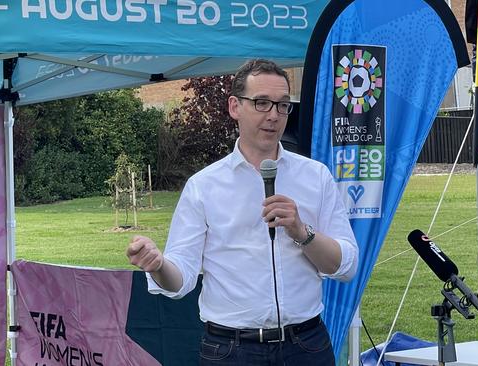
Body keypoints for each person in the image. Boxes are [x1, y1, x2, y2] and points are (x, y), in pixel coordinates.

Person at [126, 59, 358, 366]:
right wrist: (157, 266)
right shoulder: (204, 186)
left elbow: (346, 265)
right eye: (261, 103)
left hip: (305, 345)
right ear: (235, 106)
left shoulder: (316, 176)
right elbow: (180, 280)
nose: (273, 115)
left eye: (282, 105)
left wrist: (303, 233)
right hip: (231, 350)